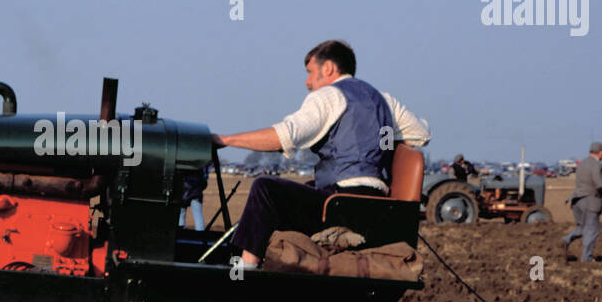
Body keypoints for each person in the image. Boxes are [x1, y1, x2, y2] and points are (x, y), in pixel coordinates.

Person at [213, 40, 430, 268]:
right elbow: (420, 134)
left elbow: (284, 136)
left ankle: (246, 269)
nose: (307, 82)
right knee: (305, 186)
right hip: (375, 207)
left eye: (310, 72)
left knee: (264, 188)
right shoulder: (384, 99)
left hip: (342, 207)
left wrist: (226, 140)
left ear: (327, 69)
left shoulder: (330, 96)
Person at [562, 142, 602, 262]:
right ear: (600, 152)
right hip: (590, 201)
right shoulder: (597, 165)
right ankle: (586, 258)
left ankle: (566, 240)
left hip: (576, 200)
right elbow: (599, 184)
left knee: (583, 227)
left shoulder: (581, 164)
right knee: (592, 230)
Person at [178, 164, 210, 231]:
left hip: (183, 191)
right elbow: (205, 180)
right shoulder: (203, 163)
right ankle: (200, 236)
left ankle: (179, 233)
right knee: (198, 215)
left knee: (181, 214)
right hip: (197, 192)